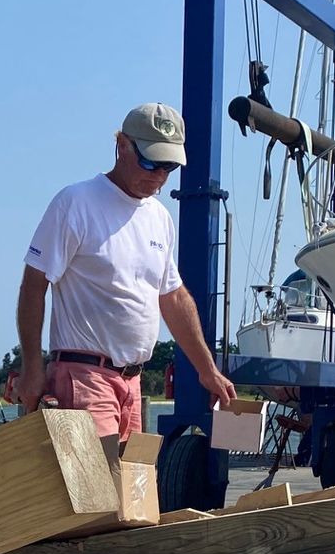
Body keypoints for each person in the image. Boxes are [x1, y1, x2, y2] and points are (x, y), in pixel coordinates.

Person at [15, 102, 237, 458]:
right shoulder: (76, 203)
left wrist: (207, 370)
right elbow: (33, 285)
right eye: (150, 162)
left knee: (132, 497)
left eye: (169, 166)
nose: (159, 175)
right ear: (121, 145)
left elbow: (173, 297)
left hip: (131, 383)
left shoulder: (160, 218)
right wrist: (31, 367)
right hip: (83, 377)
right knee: (95, 495)